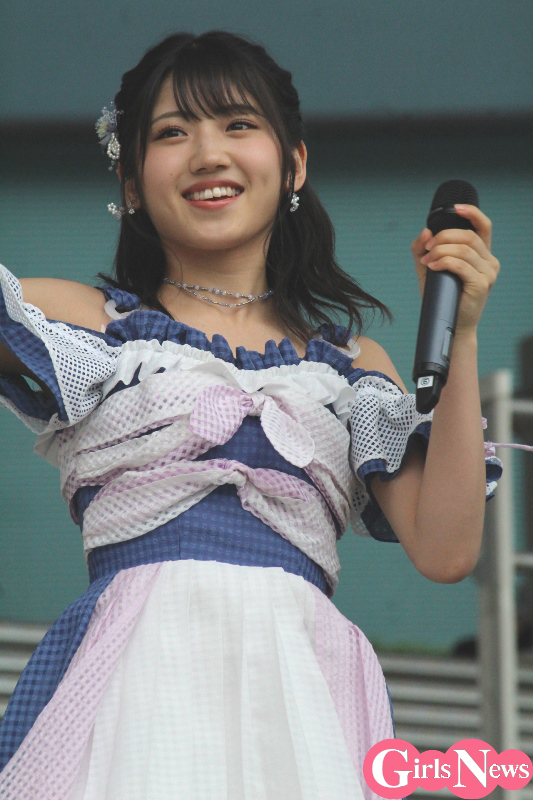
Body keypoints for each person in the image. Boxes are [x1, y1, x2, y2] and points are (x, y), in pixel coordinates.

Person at [0, 30, 502, 799]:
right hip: (133, 681)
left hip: (297, 692)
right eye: (173, 133)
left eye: (237, 124)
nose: (208, 154)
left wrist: (460, 335)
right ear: (131, 181)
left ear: (293, 163)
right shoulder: (83, 321)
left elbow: (445, 549)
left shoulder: (349, 366)